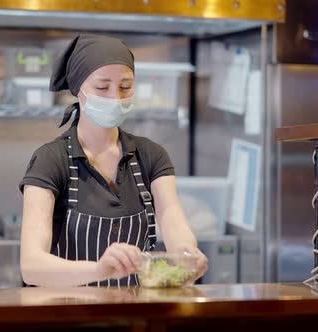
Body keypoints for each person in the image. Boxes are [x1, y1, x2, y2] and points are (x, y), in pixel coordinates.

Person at [19, 34, 208, 287]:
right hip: (67, 311)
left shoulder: (151, 155)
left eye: (125, 86)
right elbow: (31, 267)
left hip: (135, 312)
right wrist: (99, 270)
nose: (115, 97)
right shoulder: (50, 160)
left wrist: (187, 257)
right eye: (102, 87)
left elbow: (172, 219)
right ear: (79, 88)